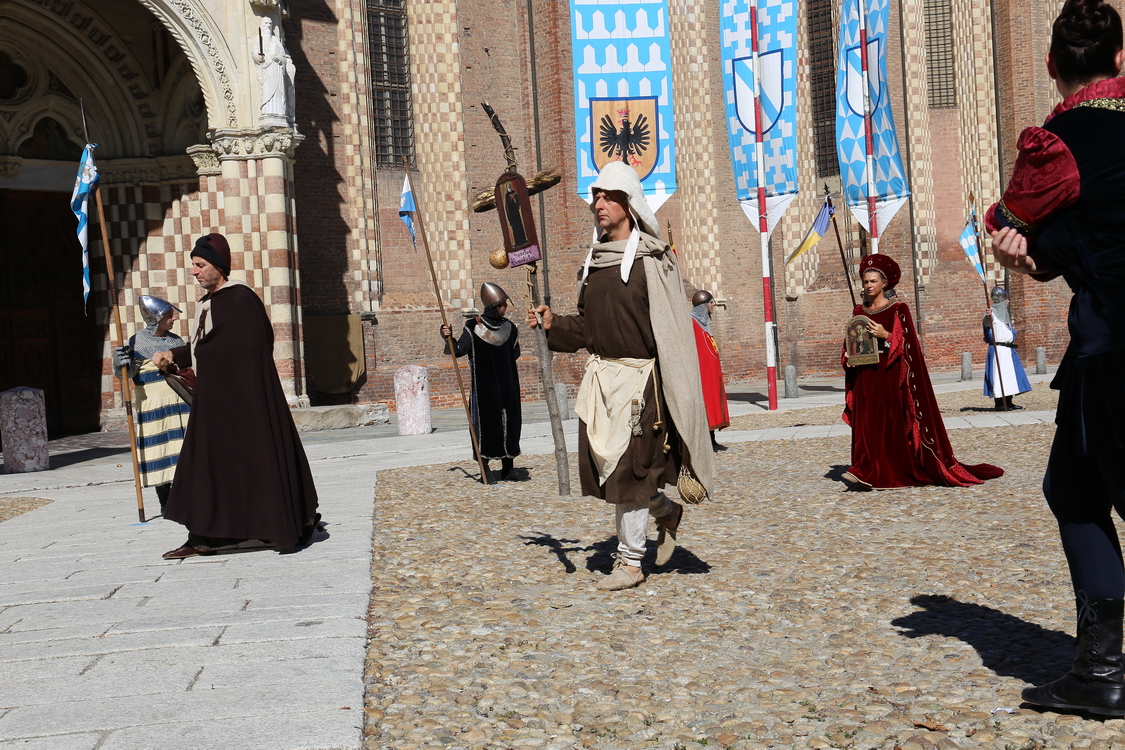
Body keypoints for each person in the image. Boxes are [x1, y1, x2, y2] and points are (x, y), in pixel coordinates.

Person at [988, 0, 1125, 716]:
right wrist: (1042, 254)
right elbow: (1073, 241)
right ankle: (1098, 669)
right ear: (1120, 60)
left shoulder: (1057, 144)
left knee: (1085, 493)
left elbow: (1010, 223)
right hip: (1098, 344)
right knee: (1070, 489)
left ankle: (1103, 672)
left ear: (1049, 64)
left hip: (1112, 349)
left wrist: (1016, 247)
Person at [528, 161, 714, 591]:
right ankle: (665, 511)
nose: (599, 204)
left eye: (608, 196)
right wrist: (555, 324)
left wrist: (674, 394)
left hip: (641, 385)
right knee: (618, 473)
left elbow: (671, 334)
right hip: (603, 383)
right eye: (596, 196)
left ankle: (630, 562)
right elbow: (590, 328)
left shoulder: (655, 261)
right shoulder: (594, 263)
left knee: (630, 473)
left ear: (628, 205)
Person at [152, 233, 320, 559]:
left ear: (218, 266)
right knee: (212, 467)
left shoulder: (239, 299)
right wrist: (175, 355)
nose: (195, 272)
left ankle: (255, 529)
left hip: (243, 403)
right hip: (218, 402)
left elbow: (248, 345)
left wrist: (201, 359)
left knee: (248, 465)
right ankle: (205, 536)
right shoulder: (211, 303)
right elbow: (208, 345)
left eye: (201, 265)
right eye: (193, 266)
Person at [841, 253, 1004, 490]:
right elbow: (850, 343)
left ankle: (886, 470)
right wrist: (847, 355)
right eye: (865, 281)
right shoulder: (859, 312)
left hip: (889, 376)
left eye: (873, 281)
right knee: (865, 425)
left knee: (888, 423)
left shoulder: (898, 309)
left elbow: (909, 345)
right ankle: (863, 467)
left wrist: (885, 335)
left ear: (884, 284)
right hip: (865, 378)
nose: (868, 286)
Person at [112, 295, 190, 516]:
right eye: (168, 315)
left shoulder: (176, 341)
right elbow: (127, 373)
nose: (174, 318)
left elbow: (187, 368)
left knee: (182, 449)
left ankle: (185, 497)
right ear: (156, 318)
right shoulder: (136, 342)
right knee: (159, 449)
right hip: (151, 403)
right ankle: (165, 502)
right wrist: (120, 364)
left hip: (178, 400)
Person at [440, 282, 522, 480]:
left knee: (510, 423)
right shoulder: (472, 327)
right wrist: (447, 338)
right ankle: (485, 468)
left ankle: (508, 467)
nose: (507, 308)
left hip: (508, 385)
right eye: (504, 305)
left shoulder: (510, 328)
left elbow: (515, 353)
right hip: (484, 387)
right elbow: (459, 350)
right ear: (497, 305)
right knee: (487, 425)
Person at [690, 289, 730, 451]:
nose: (713, 305)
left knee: (713, 406)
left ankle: (712, 441)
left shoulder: (704, 323)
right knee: (706, 407)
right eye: (711, 302)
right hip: (702, 374)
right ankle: (706, 444)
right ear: (702, 305)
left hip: (712, 373)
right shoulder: (691, 323)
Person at [982, 285, 1031, 410]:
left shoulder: (1004, 315)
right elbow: (986, 323)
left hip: (1007, 349)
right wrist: (987, 316)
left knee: (1009, 375)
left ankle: (1008, 401)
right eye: (1006, 299)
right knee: (999, 376)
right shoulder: (991, 313)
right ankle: (999, 403)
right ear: (1002, 301)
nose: (1008, 301)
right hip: (998, 349)